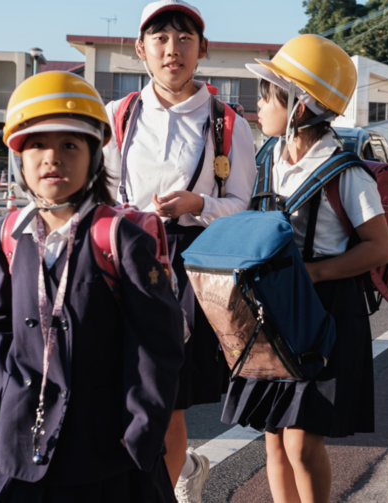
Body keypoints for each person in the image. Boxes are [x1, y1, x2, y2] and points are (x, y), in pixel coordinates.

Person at [0, 71, 185, 503]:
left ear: (93, 155)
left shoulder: (120, 238)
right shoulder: (7, 235)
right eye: (37, 144)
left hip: (109, 453)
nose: (53, 157)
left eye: (69, 144)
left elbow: (157, 344)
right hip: (28, 451)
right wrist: (5, 398)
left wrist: (140, 431)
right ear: (19, 156)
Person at [220, 34, 388, 502]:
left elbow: (380, 249)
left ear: (300, 106)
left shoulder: (347, 172)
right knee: (274, 435)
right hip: (273, 308)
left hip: (324, 312)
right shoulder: (264, 160)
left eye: (268, 94)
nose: (258, 103)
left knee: (300, 439)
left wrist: (312, 275)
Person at [102, 1, 257, 501]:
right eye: (162, 38)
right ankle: (182, 467)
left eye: (185, 38)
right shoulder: (118, 116)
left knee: (168, 396)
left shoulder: (227, 122)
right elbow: (98, 196)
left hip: (190, 265)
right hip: (122, 260)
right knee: (115, 386)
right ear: (140, 49)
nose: (173, 50)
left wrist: (201, 203)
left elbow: (242, 207)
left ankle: (166, 488)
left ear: (202, 49)